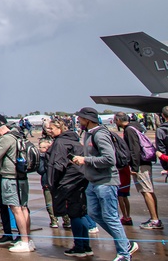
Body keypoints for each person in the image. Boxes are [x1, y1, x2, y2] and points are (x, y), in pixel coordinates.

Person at [71, 107, 138, 261]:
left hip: (106, 182)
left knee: (111, 217)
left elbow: (109, 159)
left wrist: (85, 160)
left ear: (87, 120)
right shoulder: (88, 134)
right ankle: (125, 243)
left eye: (80, 118)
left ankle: (124, 254)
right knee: (94, 214)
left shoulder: (100, 135)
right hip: (93, 182)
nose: (78, 121)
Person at [46, 116, 93, 257]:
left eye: (51, 128)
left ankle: (79, 246)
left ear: (59, 128)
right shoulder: (74, 140)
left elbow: (57, 165)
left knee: (75, 214)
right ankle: (85, 246)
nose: (49, 131)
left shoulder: (61, 142)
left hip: (68, 182)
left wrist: (52, 183)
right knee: (81, 213)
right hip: (80, 180)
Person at [0, 119, 33, 252]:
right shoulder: (19, 135)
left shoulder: (6, 138)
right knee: (23, 208)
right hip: (22, 176)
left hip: (10, 177)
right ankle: (27, 240)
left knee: (16, 209)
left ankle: (23, 241)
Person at [114, 111, 161, 229]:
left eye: (115, 120)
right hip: (145, 163)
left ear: (119, 120)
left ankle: (155, 220)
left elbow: (134, 150)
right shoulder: (135, 127)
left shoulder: (129, 130)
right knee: (149, 190)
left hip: (140, 164)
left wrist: (134, 167)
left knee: (146, 191)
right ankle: (155, 218)